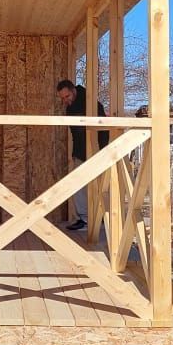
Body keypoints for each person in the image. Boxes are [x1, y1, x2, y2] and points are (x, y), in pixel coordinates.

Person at [56, 80, 109, 231]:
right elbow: (75, 134)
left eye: (67, 96)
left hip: (97, 150)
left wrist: (101, 150)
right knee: (77, 184)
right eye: (62, 98)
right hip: (80, 152)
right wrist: (75, 153)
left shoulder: (90, 102)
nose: (65, 100)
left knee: (102, 186)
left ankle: (104, 218)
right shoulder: (70, 108)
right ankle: (85, 219)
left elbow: (103, 128)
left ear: (73, 91)